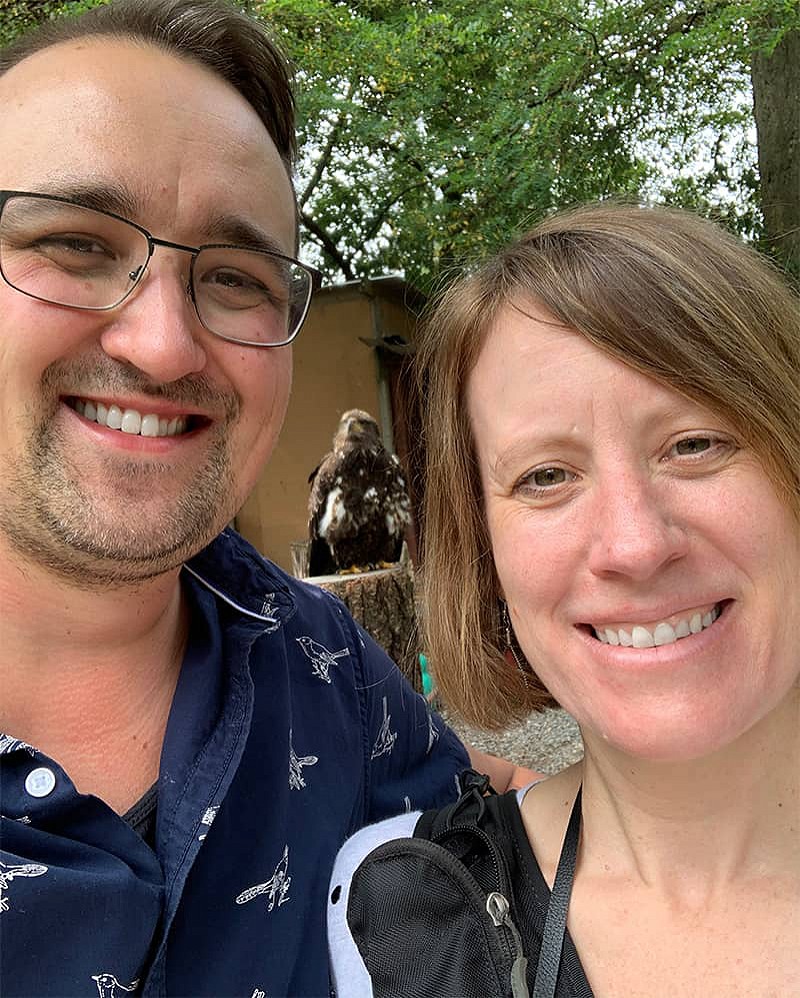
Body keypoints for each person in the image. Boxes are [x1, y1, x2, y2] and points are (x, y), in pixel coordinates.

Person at [0, 3, 530, 994]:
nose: (160, 344)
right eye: (72, 243)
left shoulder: (329, 667)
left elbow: (487, 819)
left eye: (236, 276)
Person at [329, 202, 800, 996]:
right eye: (545, 476)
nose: (636, 545)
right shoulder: (402, 926)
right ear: (484, 555)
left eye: (696, 443)